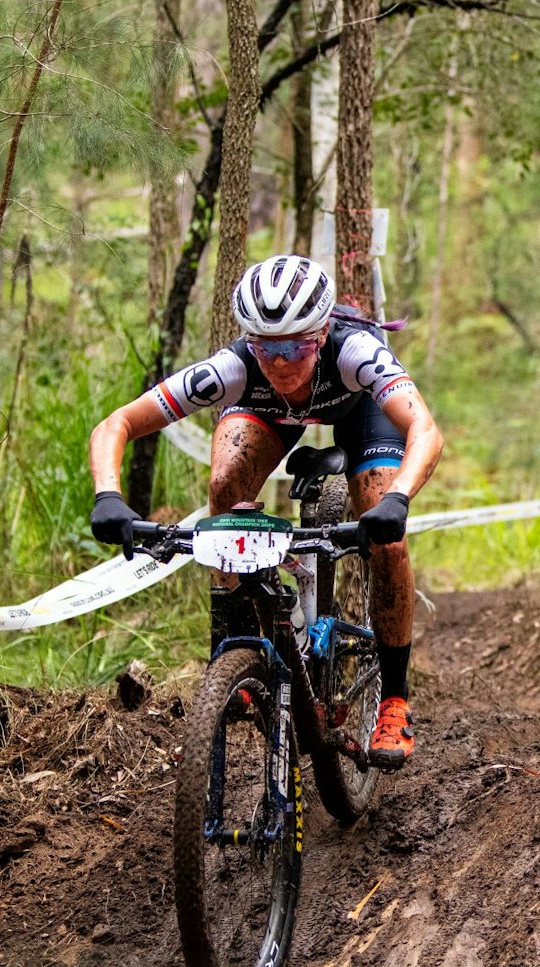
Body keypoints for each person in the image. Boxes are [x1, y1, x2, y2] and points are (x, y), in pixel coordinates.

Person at [84, 255, 441, 770]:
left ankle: (394, 699)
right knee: (226, 486)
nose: (279, 363)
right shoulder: (233, 369)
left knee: (383, 527)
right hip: (266, 412)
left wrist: (398, 498)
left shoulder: (356, 353)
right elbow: (116, 424)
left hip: (357, 411)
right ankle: (246, 639)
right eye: (265, 347)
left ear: (321, 334)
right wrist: (108, 496)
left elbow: (424, 431)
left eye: (294, 346)